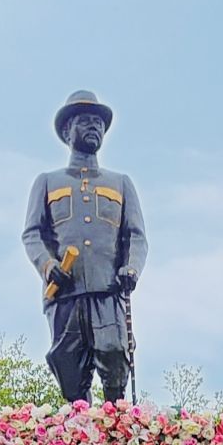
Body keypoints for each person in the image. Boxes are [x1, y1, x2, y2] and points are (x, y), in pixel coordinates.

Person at [21, 89, 147, 403]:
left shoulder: (120, 183)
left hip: (108, 288)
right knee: (67, 363)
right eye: (85, 121)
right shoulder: (49, 181)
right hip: (65, 290)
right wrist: (48, 266)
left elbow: (135, 236)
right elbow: (33, 234)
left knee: (115, 354)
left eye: (99, 123)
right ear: (67, 131)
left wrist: (131, 267)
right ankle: (79, 428)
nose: (94, 127)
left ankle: (115, 426)